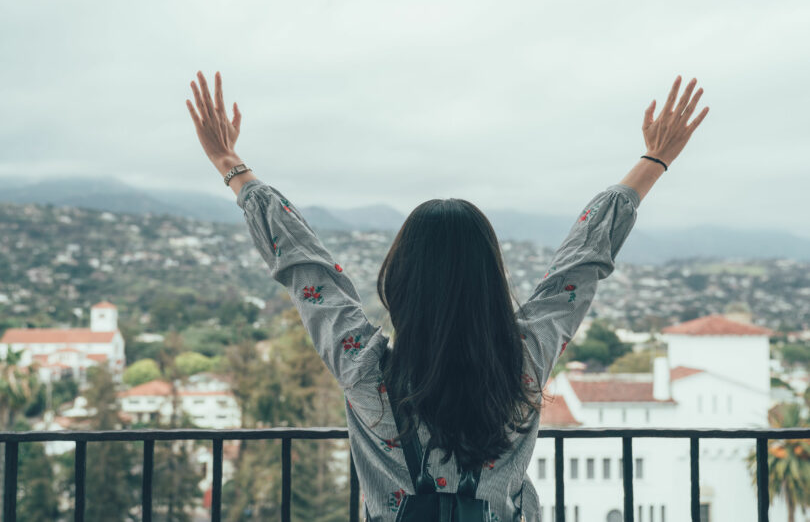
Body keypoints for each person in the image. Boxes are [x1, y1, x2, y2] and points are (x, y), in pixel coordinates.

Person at [186, 72, 709, 521]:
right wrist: (652, 161)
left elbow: (309, 273)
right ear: (490, 276)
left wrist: (231, 165)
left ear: (401, 281)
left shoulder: (365, 371)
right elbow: (578, 266)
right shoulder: (525, 361)